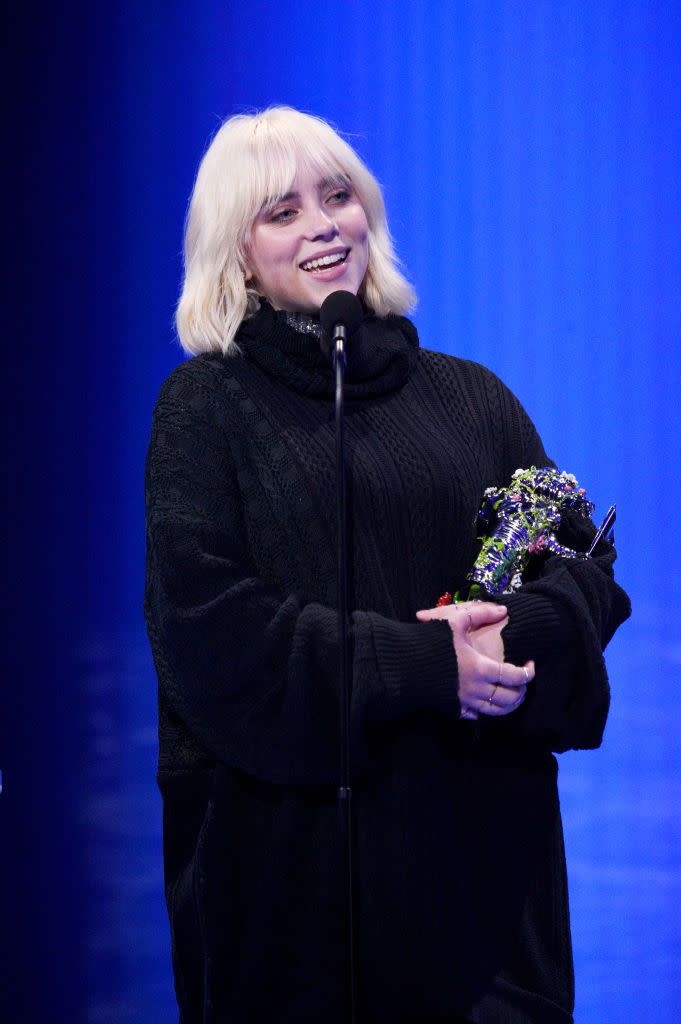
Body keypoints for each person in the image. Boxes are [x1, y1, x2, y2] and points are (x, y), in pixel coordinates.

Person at [144, 106, 630, 1024]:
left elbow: (586, 580)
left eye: (338, 198)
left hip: (484, 893)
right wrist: (422, 663)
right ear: (236, 254)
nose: (323, 225)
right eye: (281, 211)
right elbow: (209, 630)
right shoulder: (205, 409)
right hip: (288, 905)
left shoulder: (473, 397)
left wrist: (500, 641)